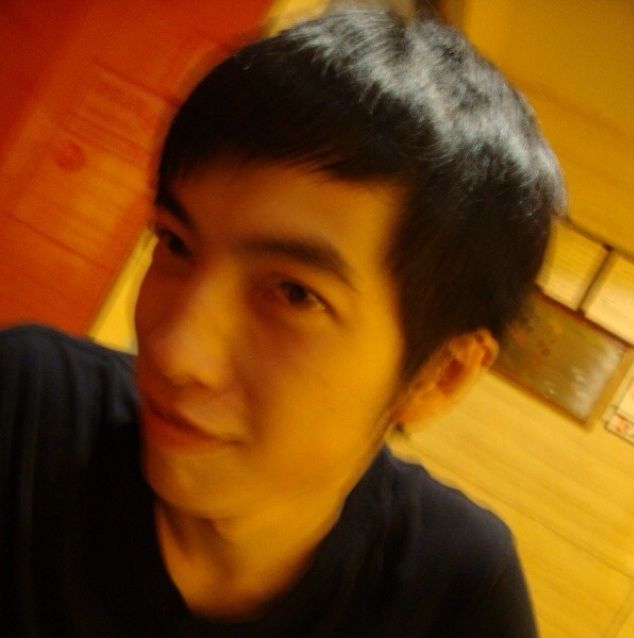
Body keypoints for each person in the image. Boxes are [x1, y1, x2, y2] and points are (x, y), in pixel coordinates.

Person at [0, 5, 564, 636]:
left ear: (441, 375)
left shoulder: (455, 594)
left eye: (294, 294)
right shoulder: (28, 412)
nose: (176, 351)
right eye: (176, 243)